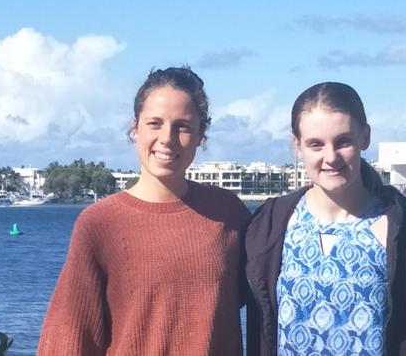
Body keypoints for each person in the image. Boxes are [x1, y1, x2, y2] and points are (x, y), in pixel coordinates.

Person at [38, 67, 251, 355]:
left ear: (201, 134)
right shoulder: (100, 222)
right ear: (135, 128)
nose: (167, 138)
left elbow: (271, 298)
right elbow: (71, 335)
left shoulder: (228, 213)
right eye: (155, 123)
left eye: (183, 126)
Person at [245, 82, 406, 355]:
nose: (331, 157)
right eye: (316, 144)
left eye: (343, 141)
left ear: (365, 137)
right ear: (297, 146)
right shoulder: (269, 225)